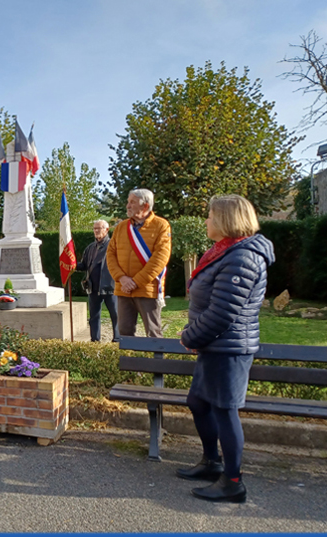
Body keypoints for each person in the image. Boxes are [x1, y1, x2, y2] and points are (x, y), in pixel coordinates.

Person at [177, 194, 274, 503]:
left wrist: (190, 336)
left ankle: (233, 481)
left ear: (225, 220)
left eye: (210, 215)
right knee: (198, 402)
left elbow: (223, 313)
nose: (206, 220)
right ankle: (211, 462)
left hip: (228, 349)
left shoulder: (241, 257)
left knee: (224, 410)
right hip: (215, 346)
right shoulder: (224, 252)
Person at [106, 188, 171, 339]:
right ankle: (129, 363)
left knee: (153, 333)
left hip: (147, 289)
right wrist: (122, 278)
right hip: (123, 289)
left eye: (132, 202)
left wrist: (136, 282)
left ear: (145, 206)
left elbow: (160, 258)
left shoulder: (161, 225)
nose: (128, 206)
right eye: (128, 202)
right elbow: (110, 255)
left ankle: (157, 363)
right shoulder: (121, 227)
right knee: (124, 333)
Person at [77, 219, 120, 342]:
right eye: (94, 228)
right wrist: (72, 264)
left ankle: (117, 339)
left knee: (116, 315)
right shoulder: (90, 248)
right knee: (94, 317)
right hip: (93, 287)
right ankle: (95, 340)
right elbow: (84, 265)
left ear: (106, 230)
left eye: (99, 228)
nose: (96, 231)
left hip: (110, 287)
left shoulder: (114, 245)